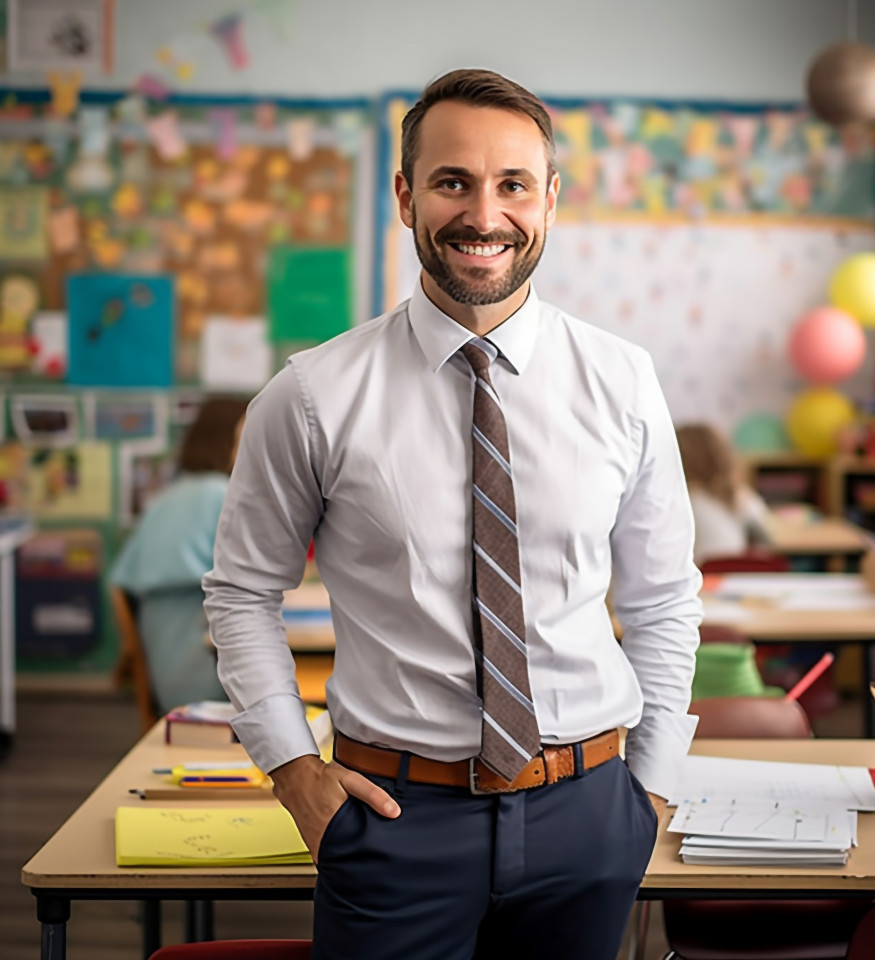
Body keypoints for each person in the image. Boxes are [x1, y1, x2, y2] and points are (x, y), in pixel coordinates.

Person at [204, 69, 701, 960]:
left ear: (550, 201)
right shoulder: (312, 395)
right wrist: (293, 773)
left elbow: (664, 599)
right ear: (405, 196)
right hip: (394, 820)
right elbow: (242, 595)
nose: (485, 214)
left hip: (587, 815)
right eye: (451, 182)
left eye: (513, 184)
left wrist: (649, 790)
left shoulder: (623, 382)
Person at [111, 397, 247, 714]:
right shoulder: (223, 495)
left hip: (168, 659)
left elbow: (120, 581)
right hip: (206, 670)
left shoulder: (168, 497)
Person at [676, 422, 772, 565]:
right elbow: (768, 534)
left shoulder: (685, 500)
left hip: (703, 577)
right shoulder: (741, 495)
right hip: (736, 575)